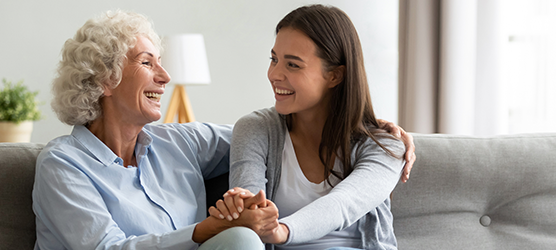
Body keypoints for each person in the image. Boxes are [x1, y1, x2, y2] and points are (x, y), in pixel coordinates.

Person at [32, 9, 415, 250]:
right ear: (105, 78)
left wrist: (375, 130)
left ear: (336, 75)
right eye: (148, 63)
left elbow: (276, 138)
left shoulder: (179, 143)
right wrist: (203, 230)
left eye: (161, 63)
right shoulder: (63, 165)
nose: (165, 77)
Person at [215, 4, 407, 250]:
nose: (274, 74)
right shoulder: (256, 129)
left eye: (293, 65)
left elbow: (344, 204)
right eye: (274, 59)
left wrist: (282, 230)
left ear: (335, 76)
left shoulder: (386, 145)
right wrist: (245, 209)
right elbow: (251, 214)